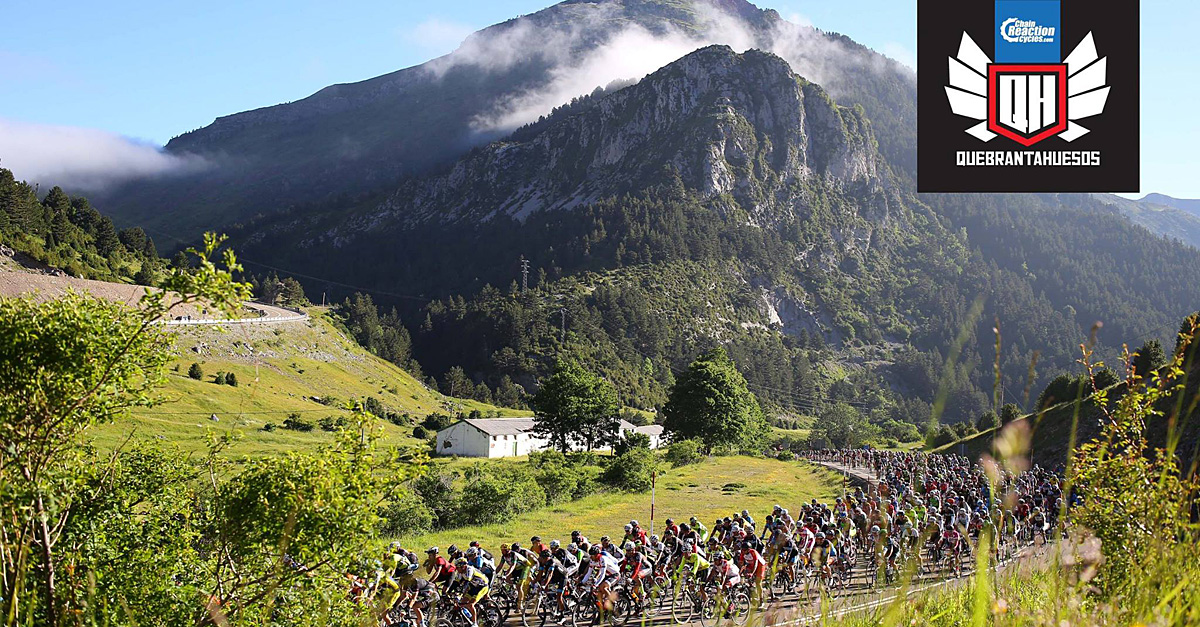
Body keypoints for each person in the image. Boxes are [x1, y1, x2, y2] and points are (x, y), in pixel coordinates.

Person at [447, 557, 491, 627]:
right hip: (474, 587)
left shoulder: (469, 569)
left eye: (458, 567)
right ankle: (470, 616)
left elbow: (467, 582)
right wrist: (448, 592)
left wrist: (461, 593)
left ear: (463, 566)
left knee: (471, 604)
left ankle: (475, 623)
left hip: (482, 586)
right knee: (462, 602)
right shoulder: (460, 572)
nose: (457, 569)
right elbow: (456, 583)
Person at [581, 546, 621, 612]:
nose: (591, 557)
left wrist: (595, 585)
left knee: (603, 587)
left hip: (614, 574)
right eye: (590, 555)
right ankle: (602, 610)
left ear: (597, 555)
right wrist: (582, 582)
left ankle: (614, 603)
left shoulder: (603, 559)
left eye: (592, 555)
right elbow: (588, 573)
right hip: (607, 575)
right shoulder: (592, 560)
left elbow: (602, 574)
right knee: (599, 592)